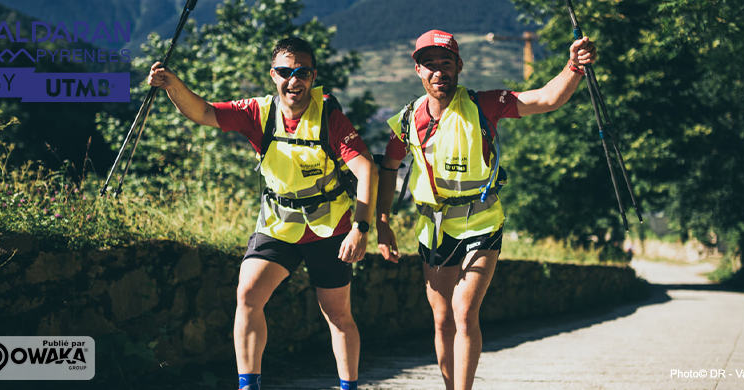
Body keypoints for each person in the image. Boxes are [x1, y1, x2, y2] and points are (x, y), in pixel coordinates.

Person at [147, 37, 378, 390]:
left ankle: (349, 386)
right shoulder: (259, 112)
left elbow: (367, 171)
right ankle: (248, 385)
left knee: (337, 314)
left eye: (302, 72)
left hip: (329, 227)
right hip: (278, 224)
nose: (293, 80)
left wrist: (360, 228)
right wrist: (173, 84)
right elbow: (204, 112)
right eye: (285, 72)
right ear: (273, 75)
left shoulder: (330, 117)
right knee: (248, 295)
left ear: (313, 77)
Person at [375, 30, 596, 390]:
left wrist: (574, 66)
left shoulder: (485, 105)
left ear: (459, 66)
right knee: (443, 319)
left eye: (446, 63)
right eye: (429, 65)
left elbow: (545, 99)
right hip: (434, 228)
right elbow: (389, 165)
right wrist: (382, 221)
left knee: (464, 312)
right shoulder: (407, 119)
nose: (438, 72)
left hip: (481, 223)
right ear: (417, 70)